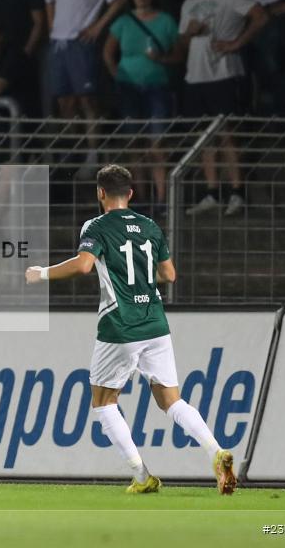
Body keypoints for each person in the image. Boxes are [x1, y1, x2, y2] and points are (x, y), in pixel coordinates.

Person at [24, 164, 237, 496]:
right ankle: (217, 452)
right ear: (132, 194)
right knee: (172, 401)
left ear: (100, 193)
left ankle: (141, 477)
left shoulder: (97, 225)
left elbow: (83, 265)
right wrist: (139, 272)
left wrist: (42, 273)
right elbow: (169, 274)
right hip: (155, 322)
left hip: (120, 324)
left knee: (104, 403)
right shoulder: (149, 226)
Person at [168, 0, 267, 216]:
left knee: (227, 134)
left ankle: (237, 192)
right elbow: (182, 42)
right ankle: (212, 192)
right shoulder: (189, 2)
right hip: (195, 75)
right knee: (204, 137)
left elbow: (260, 16)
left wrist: (236, 43)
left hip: (223, 73)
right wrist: (189, 34)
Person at [45, 0, 127, 176]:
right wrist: (53, 27)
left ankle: (93, 154)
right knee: (64, 102)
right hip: (59, 42)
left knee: (87, 100)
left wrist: (97, 26)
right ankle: (72, 154)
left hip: (81, 42)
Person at [102, 0, 178, 211]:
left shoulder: (166, 21)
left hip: (157, 85)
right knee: (135, 144)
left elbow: (179, 53)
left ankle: (163, 197)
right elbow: (108, 52)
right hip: (129, 87)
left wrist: (162, 59)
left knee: (157, 143)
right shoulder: (124, 22)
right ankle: (142, 197)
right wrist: (118, 75)